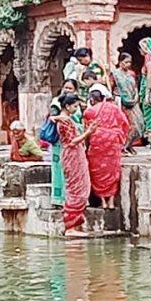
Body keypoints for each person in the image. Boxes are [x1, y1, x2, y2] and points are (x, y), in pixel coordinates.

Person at [53, 93, 95, 237]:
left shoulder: (64, 119)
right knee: (77, 188)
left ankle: (75, 225)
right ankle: (70, 227)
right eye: (75, 106)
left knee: (79, 186)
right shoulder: (65, 121)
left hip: (73, 154)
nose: (76, 109)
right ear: (67, 106)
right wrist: (88, 132)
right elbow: (72, 141)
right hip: (72, 154)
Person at [83, 84, 130, 209]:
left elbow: (87, 130)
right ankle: (112, 201)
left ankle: (103, 201)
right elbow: (125, 123)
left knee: (97, 171)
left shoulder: (89, 112)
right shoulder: (114, 108)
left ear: (91, 99)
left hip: (97, 142)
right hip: (113, 142)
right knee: (113, 170)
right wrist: (120, 136)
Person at [109, 52, 144, 154]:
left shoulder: (131, 74)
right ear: (120, 62)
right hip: (121, 102)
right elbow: (111, 88)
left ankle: (129, 144)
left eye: (129, 62)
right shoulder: (115, 74)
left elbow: (135, 87)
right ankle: (124, 146)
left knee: (140, 124)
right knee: (128, 125)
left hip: (133, 102)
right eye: (126, 62)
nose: (128, 64)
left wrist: (136, 97)